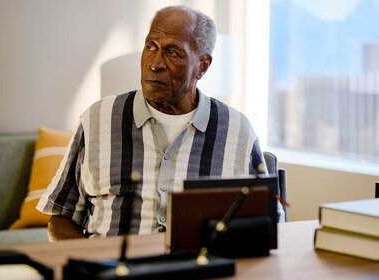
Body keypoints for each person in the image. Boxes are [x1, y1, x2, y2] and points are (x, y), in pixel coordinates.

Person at [37, 5, 284, 241]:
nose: (154, 64)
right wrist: (91, 262)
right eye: (151, 46)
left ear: (202, 66)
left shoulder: (237, 130)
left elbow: (269, 224)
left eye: (172, 52)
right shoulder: (97, 119)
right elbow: (60, 217)